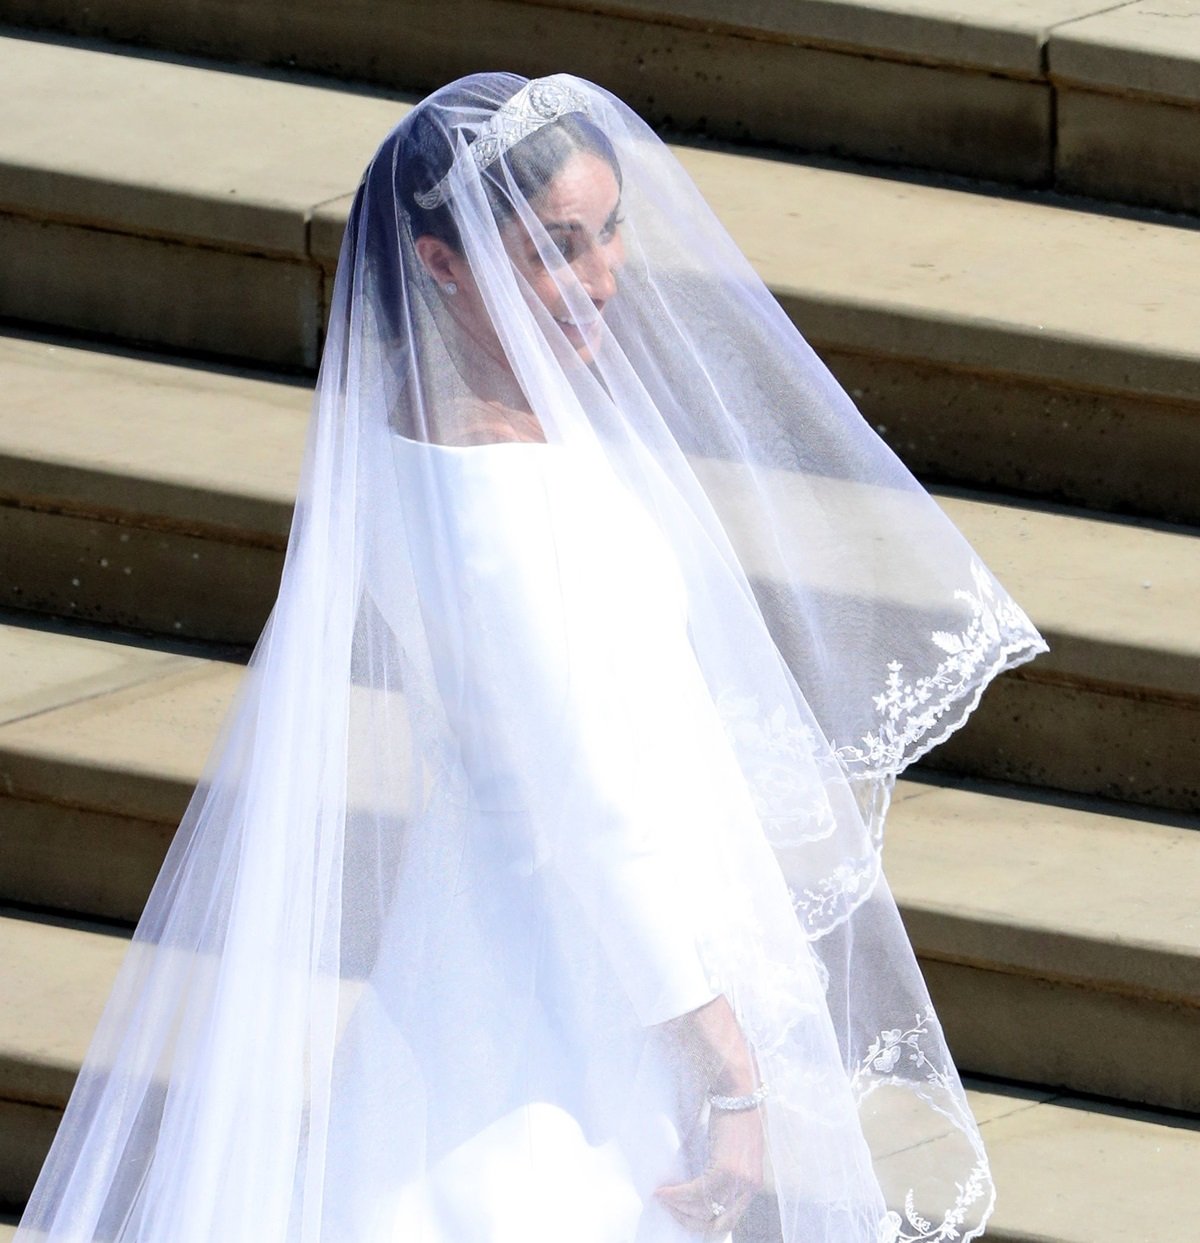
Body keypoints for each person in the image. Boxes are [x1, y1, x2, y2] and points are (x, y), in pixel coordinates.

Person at [17, 73, 1046, 1243]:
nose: (601, 278)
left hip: (484, 945)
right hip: (559, 993)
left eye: (610, 233)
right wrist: (727, 1063)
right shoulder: (493, 496)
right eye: (555, 248)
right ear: (444, 263)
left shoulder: (437, 421)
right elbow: (586, 799)